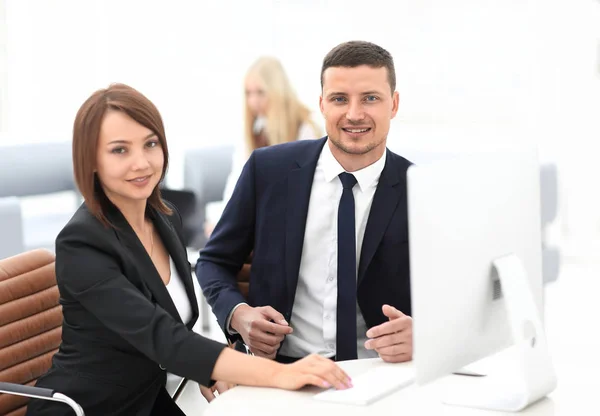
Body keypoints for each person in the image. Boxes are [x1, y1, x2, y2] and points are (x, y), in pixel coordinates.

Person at [26, 84, 351, 416]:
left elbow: (175, 326)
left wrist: (207, 367)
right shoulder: (82, 243)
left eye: (150, 144)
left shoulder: (164, 217)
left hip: (148, 398)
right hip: (91, 407)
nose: (141, 163)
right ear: (91, 160)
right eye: (119, 150)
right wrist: (283, 373)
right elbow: (161, 336)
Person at [197, 40, 414, 364]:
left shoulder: (419, 187)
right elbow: (213, 262)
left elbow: (458, 293)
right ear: (322, 104)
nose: (354, 114)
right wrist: (239, 315)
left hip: (382, 373)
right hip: (282, 369)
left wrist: (423, 333)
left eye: (370, 98)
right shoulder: (267, 170)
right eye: (339, 99)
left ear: (393, 105)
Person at [204, 56, 322, 234]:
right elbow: (238, 178)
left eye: (260, 92)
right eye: (248, 93)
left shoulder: (305, 127)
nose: (253, 101)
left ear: (277, 91)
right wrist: (223, 220)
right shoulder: (255, 129)